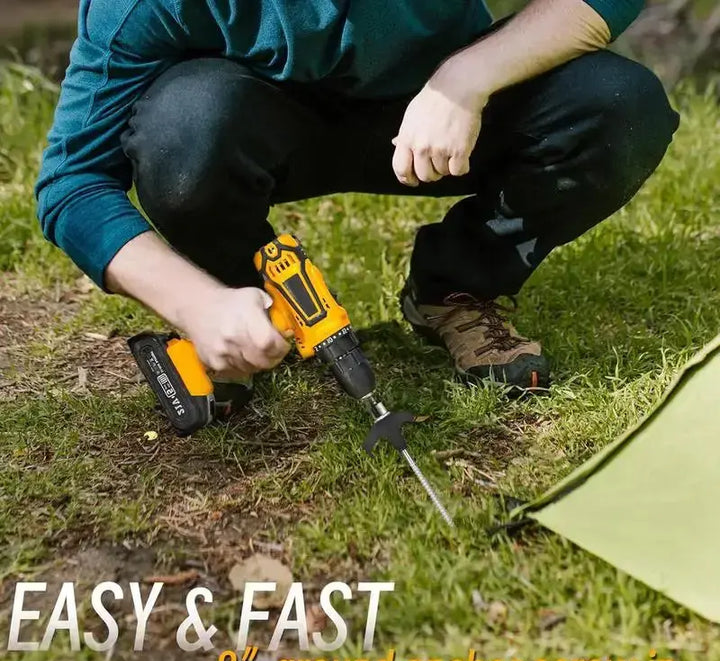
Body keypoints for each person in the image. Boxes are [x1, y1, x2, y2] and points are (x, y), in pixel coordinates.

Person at [36, 0, 679, 399]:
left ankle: (454, 289)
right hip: (253, 123)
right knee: (184, 130)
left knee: (619, 107)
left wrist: (467, 79)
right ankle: (246, 304)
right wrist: (196, 301)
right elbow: (71, 181)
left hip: (439, 112)